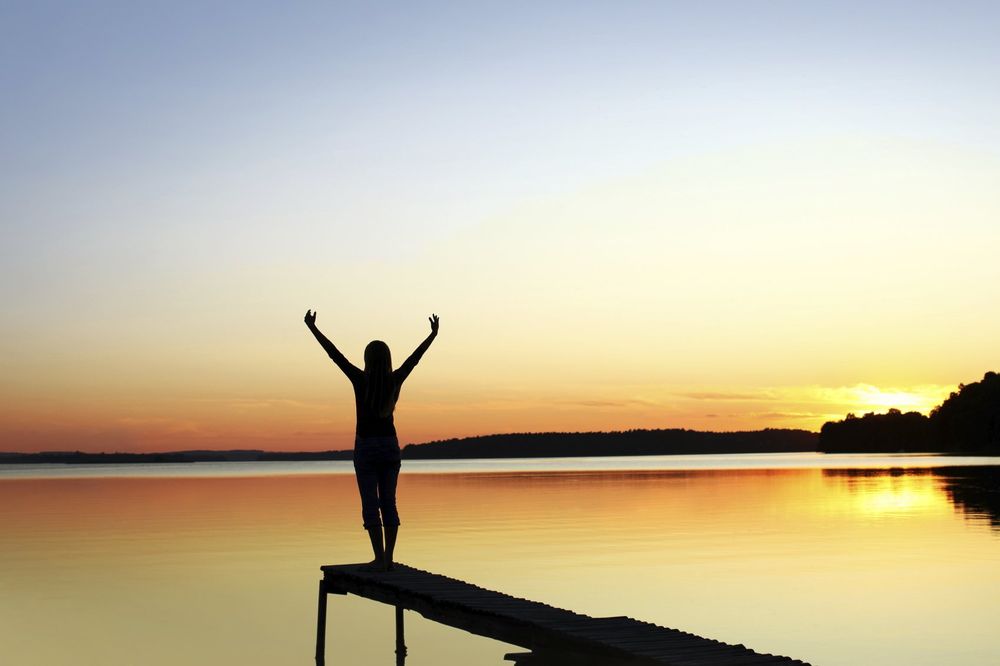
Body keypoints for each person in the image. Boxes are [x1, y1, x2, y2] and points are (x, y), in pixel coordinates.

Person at [304, 309, 439, 571]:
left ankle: (379, 558)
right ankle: (389, 559)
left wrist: (312, 328)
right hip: (389, 447)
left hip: (366, 447)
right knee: (389, 502)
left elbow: (334, 355)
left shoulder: (360, 379)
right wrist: (432, 335)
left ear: (367, 359)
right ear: (388, 359)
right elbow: (415, 359)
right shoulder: (394, 380)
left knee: (371, 504)